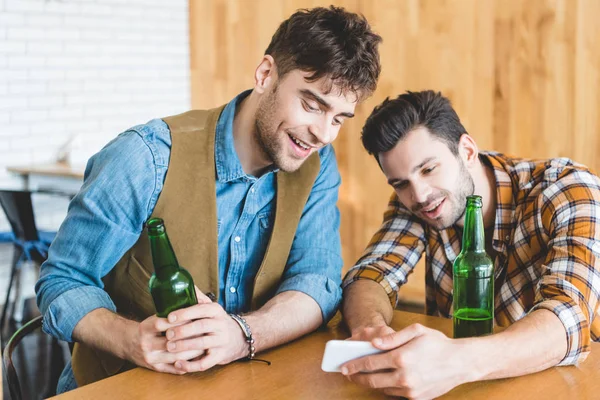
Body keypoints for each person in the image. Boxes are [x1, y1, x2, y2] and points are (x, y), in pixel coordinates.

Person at [36, 6, 381, 393]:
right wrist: (131, 341)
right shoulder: (145, 158)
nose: (322, 134)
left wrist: (242, 334)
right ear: (266, 75)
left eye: (338, 119)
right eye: (312, 105)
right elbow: (62, 280)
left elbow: (317, 279)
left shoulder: (317, 163)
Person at [341, 90, 600, 399]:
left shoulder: (568, 190)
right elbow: (371, 274)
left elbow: (566, 321)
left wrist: (456, 361)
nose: (420, 195)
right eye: (401, 183)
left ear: (466, 150)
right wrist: (373, 332)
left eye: (428, 169)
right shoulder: (418, 203)